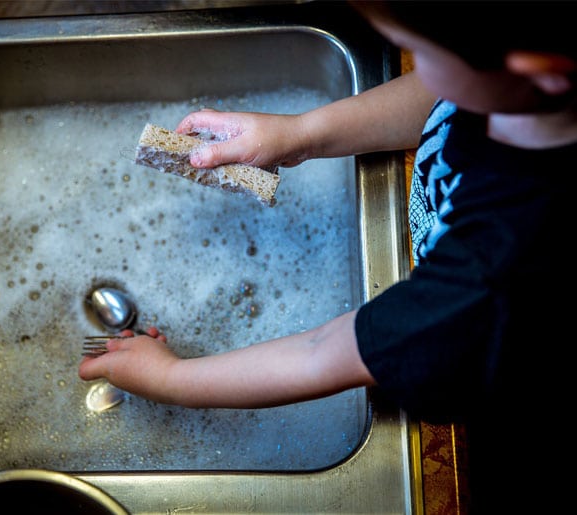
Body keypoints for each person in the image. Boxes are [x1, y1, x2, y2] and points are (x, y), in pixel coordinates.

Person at [79, 1, 577, 511]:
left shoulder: (496, 274)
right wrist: (300, 135)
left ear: (541, 70)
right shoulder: (523, 93)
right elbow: (439, 100)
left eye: (422, 54)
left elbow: (324, 351)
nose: (416, 70)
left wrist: (172, 379)